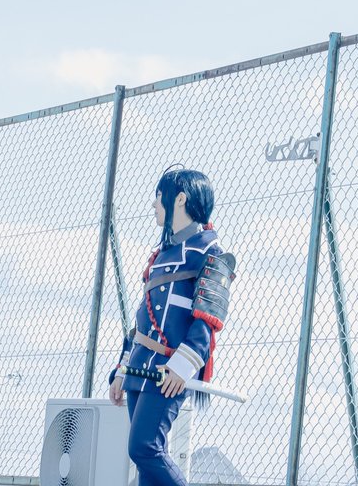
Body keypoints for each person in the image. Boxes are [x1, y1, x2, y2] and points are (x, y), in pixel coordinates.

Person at [108, 166, 234, 486]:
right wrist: (123, 369)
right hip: (140, 366)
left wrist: (182, 366)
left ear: (180, 199)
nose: (154, 204)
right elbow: (142, 318)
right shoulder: (160, 256)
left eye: (159, 196)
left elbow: (207, 321)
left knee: (145, 448)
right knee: (146, 468)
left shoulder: (212, 254)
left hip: (169, 371)